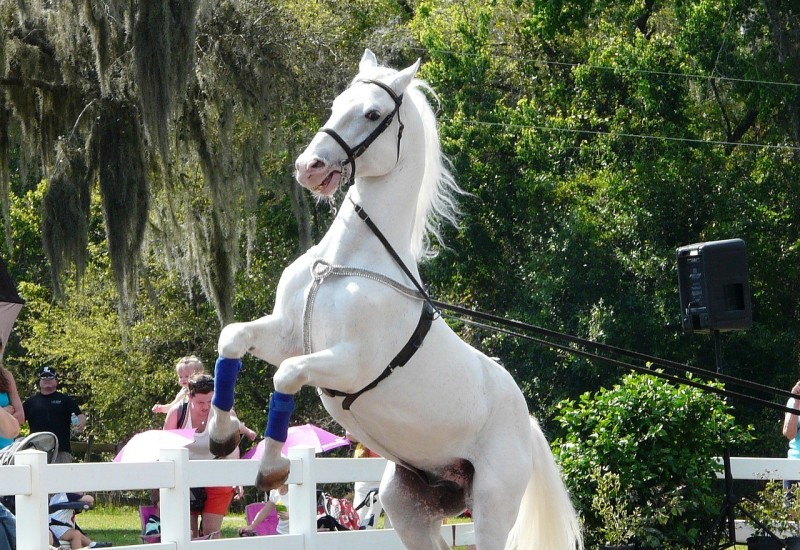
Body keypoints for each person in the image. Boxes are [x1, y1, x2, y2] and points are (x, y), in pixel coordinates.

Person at [163, 373, 256, 539]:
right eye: (200, 402)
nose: (206, 407)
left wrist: (236, 477)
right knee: (186, 533)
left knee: (211, 533)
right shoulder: (178, 413)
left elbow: (232, 448)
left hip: (216, 470)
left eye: (210, 401)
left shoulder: (224, 414)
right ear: (189, 396)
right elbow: (166, 448)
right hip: (185, 474)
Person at [23, 366, 85, 463]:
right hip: (36, 451)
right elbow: (17, 420)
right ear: (39, 382)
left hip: (61, 451)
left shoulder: (65, 400)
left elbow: (79, 415)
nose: (47, 380)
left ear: (56, 381)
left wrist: (80, 423)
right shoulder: (30, 402)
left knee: (62, 478)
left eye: (50, 377)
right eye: (43, 377)